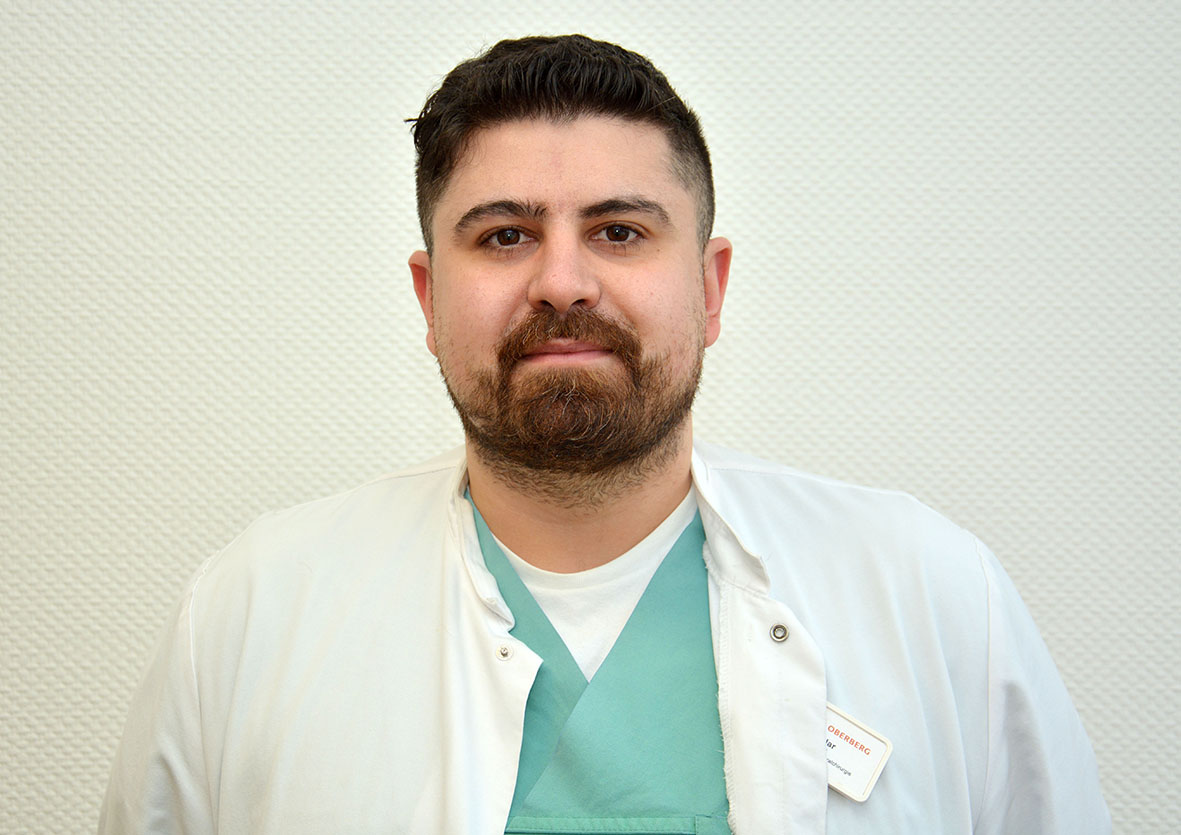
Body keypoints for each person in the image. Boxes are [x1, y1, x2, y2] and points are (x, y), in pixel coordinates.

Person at [100, 35, 1109, 833]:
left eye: (619, 231)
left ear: (709, 288)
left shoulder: (934, 598)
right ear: (428, 296)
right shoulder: (246, 617)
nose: (562, 281)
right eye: (504, 235)